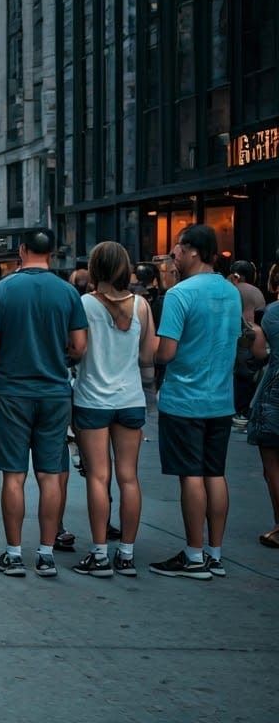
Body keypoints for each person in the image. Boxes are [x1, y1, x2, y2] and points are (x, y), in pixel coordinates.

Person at [0, 229, 87, 578]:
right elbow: (80, 347)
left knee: (14, 475)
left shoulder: (1, 291)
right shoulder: (68, 292)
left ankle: (13, 554)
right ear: (51, 253)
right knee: (50, 475)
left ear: (21, 250)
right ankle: (45, 553)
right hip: (55, 393)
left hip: (12, 392)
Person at [149, 225, 241, 580]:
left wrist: (150, 351)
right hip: (221, 397)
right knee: (215, 473)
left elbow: (166, 352)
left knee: (190, 476)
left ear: (192, 251)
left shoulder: (179, 294)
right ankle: (215, 554)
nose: (174, 255)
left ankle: (193, 554)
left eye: (177, 248)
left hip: (184, 398)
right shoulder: (230, 292)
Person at [69, 242, 157, 578]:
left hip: (92, 398)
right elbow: (148, 357)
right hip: (131, 398)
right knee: (129, 477)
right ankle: (127, 554)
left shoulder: (85, 304)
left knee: (98, 476)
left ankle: (99, 554)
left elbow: (76, 350)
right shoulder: (142, 306)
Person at [248, 297, 278, 548]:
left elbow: (260, 354)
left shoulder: (272, 314)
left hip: (274, 392)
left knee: (273, 465)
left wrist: (255, 332)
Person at [230, 260, 267, 428]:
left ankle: (235, 410)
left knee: (236, 373)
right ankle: (243, 411)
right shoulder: (255, 292)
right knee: (247, 374)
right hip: (250, 335)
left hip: (230, 334)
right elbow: (261, 316)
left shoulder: (228, 289)